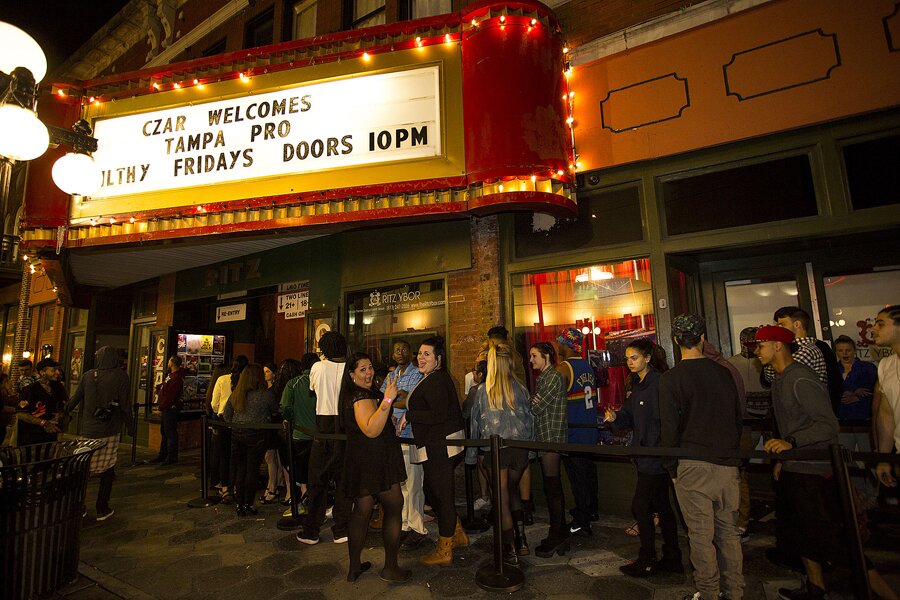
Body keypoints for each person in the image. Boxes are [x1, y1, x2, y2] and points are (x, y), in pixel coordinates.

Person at [755, 325, 897, 600]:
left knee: (835, 541)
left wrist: (792, 444)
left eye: (760, 345)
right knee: (801, 534)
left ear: (777, 346)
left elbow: (828, 425)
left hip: (815, 471)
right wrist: (784, 458)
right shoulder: (781, 380)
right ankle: (816, 588)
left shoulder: (800, 379)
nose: (756, 352)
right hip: (796, 467)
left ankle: (887, 594)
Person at [660, 314, 743, 600]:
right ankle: (734, 592)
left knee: (700, 536)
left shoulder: (671, 379)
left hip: (691, 463)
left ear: (675, 341)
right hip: (726, 462)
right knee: (728, 534)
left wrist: (671, 469)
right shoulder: (724, 373)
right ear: (703, 338)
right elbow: (737, 418)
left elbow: (668, 429)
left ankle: (708, 593)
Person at [605, 338, 682, 577]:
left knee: (641, 505)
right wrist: (615, 418)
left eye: (634, 357)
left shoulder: (659, 384)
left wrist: (661, 449)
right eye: (627, 358)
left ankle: (648, 558)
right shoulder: (637, 385)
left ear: (647, 358)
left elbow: (668, 421)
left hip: (656, 455)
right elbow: (628, 416)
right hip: (645, 455)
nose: (629, 362)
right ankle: (672, 557)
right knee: (662, 506)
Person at [340, 351, 411, 583]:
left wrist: (385, 412)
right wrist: (388, 400)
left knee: (362, 511)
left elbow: (372, 421)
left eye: (370, 367)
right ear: (351, 375)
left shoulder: (362, 393)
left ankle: (354, 568)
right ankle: (390, 568)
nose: (369, 372)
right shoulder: (359, 395)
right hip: (375, 462)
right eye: (362, 369)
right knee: (393, 506)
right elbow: (371, 429)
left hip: (365, 460)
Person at [469, 342, 534, 565]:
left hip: (495, 451)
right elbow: (530, 422)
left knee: (502, 499)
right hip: (518, 451)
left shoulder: (483, 391)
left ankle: (508, 549)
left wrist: (471, 457)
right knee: (511, 493)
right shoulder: (521, 389)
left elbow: (475, 426)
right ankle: (521, 539)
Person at [405, 335, 467, 566]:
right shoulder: (432, 378)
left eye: (426, 354)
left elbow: (438, 414)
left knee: (442, 495)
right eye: (419, 353)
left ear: (438, 359)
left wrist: (410, 416)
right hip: (436, 446)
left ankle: (445, 550)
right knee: (436, 492)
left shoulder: (437, 380)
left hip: (441, 447)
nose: (421, 358)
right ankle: (457, 534)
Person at [65, 346, 134, 521]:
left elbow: (75, 399)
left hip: (88, 429)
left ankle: (79, 506)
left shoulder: (88, 376)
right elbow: (125, 405)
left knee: (84, 468)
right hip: (110, 428)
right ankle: (102, 507)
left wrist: (64, 412)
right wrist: (130, 426)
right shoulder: (120, 376)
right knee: (108, 467)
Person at [298, 331, 352, 545]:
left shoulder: (318, 367)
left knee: (317, 481)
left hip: (323, 427)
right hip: (345, 427)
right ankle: (342, 529)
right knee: (343, 482)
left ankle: (311, 530)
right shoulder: (350, 367)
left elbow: (313, 389)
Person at [380, 340, 427, 548]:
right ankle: (405, 525)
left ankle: (418, 528)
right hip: (393, 436)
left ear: (411, 352)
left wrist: (395, 399)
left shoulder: (417, 374)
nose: (400, 353)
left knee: (414, 484)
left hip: (411, 435)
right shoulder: (391, 376)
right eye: (396, 349)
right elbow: (384, 399)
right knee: (401, 485)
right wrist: (394, 399)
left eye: (404, 349)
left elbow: (411, 400)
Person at [527, 342, 569, 558]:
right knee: (552, 487)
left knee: (553, 487)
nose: (531, 360)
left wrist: (533, 401)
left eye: (535, 356)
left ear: (547, 356)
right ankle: (559, 534)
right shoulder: (545, 378)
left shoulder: (551, 377)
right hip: (547, 436)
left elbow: (536, 407)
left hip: (551, 437)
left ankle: (557, 536)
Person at [556, 327, 599, 537]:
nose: (557, 345)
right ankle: (591, 510)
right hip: (589, 428)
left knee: (578, 477)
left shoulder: (564, 368)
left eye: (560, 341)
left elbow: (554, 399)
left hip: (574, 431)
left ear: (566, 344)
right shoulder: (587, 365)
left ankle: (583, 521)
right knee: (588, 473)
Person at [224, 363, 279, 516]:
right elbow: (275, 411)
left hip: (237, 435)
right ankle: (248, 503)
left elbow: (227, 415)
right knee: (252, 470)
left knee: (240, 469)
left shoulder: (237, 393)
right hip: (256, 436)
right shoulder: (265, 394)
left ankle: (240, 504)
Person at [766, 307, 843, 415]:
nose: (778, 328)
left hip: (805, 414)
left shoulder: (804, 350)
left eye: (782, 325)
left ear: (797, 324)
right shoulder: (797, 348)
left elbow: (780, 376)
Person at [281, 352, 320, 516]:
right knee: (317, 471)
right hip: (320, 436)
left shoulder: (293, 383)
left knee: (300, 469)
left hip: (300, 435)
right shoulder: (322, 382)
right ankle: (316, 504)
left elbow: (285, 407)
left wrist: (291, 419)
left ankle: (302, 502)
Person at [209, 356, 247, 504]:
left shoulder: (222, 379)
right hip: (239, 422)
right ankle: (236, 486)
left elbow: (214, 402)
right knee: (237, 456)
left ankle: (225, 488)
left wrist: (219, 411)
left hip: (222, 421)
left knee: (224, 456)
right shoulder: (245, 380)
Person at [873, 305, 900, 488]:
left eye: (880, 324)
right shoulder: (886, 365)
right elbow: (886, 414)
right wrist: (883, 458)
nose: (873, 329)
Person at [16, 358, 67, 446]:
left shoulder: (58, 387)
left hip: (50, 436)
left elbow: (63, 407)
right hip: (31, 437)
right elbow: (20, 414)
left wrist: (59, 415)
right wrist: (44, 423)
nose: (58, 373)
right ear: (42, 372)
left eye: (58, 370)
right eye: (53, 370)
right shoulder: (30, 389)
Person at [463, 360, 491, 513]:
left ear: (480, 374)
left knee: (485, 468)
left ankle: (490, 499)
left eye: (474, 371)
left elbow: (466, 412)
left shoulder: (477, 390)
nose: (472, 374)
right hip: (495, 436)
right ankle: (488, 498)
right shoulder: (497, 387)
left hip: (482, 434)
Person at [205, 363, 230, 492]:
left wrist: (217, 411)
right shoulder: (227, 380)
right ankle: (222, 480)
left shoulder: (217, 381)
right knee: (224, 452)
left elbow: (213, 403)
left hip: (218, 417)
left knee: (217, 450)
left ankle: (216, 479)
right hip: (225, 418)